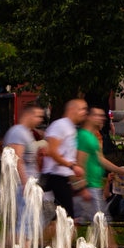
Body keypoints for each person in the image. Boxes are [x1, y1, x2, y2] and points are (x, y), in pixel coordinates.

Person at [76, 106, 124, 248]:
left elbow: (101, 160)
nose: (102, 118)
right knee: (102, 220)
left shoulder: (93, 136)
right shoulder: (83, 136)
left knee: (83, 221)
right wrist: (82, 187)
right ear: (89, 117)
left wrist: (122, 171)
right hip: (89, 186)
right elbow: (79, 162)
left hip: (94, 185)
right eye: (98, 115)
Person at [41, 99, 88, 235]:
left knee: (63, 218)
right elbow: (52, 151)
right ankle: (30, 241)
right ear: (72, 109)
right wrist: (72, 166)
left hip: (63, 177)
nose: (84, 112)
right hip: (55, 177)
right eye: (82, 109)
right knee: (67, 219)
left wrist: (80, 184)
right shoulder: (60, 126)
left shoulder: (70, 128)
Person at [3, 105, 45, 243]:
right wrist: (25, 183)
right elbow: (17, 159)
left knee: (29, 223)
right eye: (38, 116)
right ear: (28, 115)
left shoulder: (26, 132)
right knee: (27, 223)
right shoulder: (18, 132)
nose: (40, 120)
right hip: (23, 185)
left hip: (29, 184)